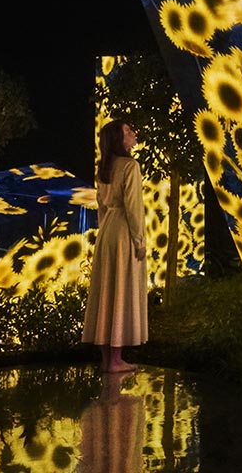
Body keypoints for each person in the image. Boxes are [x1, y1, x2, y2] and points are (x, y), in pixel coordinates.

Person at [82, 118, 148, 373]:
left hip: (107, 231)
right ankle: (117, 359)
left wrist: (105, 229)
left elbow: (101, 206)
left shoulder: (104, 168)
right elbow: (133, 208)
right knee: (120, 290)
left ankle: (107, 360)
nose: (133, 133)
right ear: (119, 140)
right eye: (128, 131)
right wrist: (139, 241)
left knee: (106, 291)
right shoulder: (131, 166)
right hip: (123, 233)